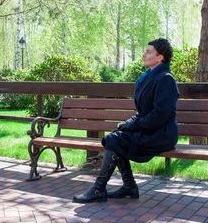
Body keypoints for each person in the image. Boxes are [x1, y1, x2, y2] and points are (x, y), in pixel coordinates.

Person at [73, 38, 180, 203]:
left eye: (149, 52)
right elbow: (142, 112)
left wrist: (132, 125)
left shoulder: (166, 79)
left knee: (114, 140)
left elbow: (158, 116)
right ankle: (127, 186)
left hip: (161, 134)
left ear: (160, 57)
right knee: (115, 138)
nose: (144, 54)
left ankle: (100, 188)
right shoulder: (148, 76)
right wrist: (128, 124)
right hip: (149, 129)